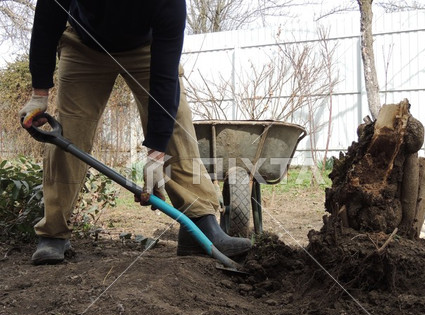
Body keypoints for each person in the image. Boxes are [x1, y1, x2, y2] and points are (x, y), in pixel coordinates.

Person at [19, 0, 252, 265]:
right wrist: (40, 93)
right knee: (71, 132)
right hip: (84, 47)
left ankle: (200, 226)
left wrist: (156, 152)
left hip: (146, 48)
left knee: (176, 125)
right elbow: (47, 22)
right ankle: (53, 233)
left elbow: (165, 76)